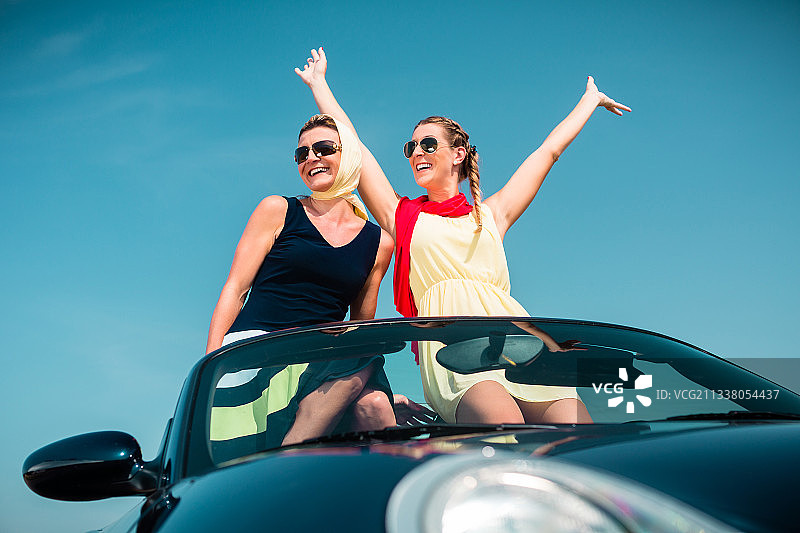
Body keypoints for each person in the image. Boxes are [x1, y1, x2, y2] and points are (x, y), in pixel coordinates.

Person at [297, 47, 630, 425]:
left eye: (427, 144)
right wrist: (320, 85)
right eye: (411, 147)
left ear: (457, 154)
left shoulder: (492, 214)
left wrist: (589, 102)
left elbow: (548, 151)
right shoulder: (402, 215)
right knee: (510, 434)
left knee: (580, 441)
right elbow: (355, 146)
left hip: (524, 341)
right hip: (455, 350)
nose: (416, 153)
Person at [206, 113, 395, 446]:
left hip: (322, 362)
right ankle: (286, 463)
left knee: (375, 401)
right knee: (357, 370)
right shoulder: (277, 210)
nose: (311, 158)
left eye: (323, 148)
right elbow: (235, 289)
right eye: (302, 154)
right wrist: (210, 368)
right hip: (259, 350)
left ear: (349, 155)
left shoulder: (379, 243)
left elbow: (359, 328)